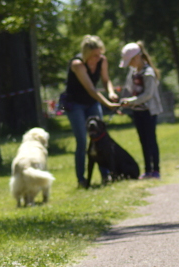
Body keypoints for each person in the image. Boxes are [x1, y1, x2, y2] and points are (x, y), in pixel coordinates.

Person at [64, 35, 120, 188]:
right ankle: (81, 179)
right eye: (95, 55)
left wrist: (111, 92)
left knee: (101, 138)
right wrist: (108, 104)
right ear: (87, 54)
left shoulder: (102, 60)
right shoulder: (77, 65)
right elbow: (91, 89)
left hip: (92, 103)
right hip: (75, 104)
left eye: (100, 53)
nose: (98, 57)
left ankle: (105, 174)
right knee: (82, 141)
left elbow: (106, 79)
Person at [119, 42, 163, 179]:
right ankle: (147, 170)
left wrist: (130, 101)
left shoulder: (149, 73)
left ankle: (156, 170)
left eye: (130, 61)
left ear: (137, 57)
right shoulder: (132, 72)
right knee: (143, 141)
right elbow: (128, 89)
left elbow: (147, 95)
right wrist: (122, 103)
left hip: (149, 112)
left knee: (151, 140)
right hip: (137, 111)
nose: (129, 64)